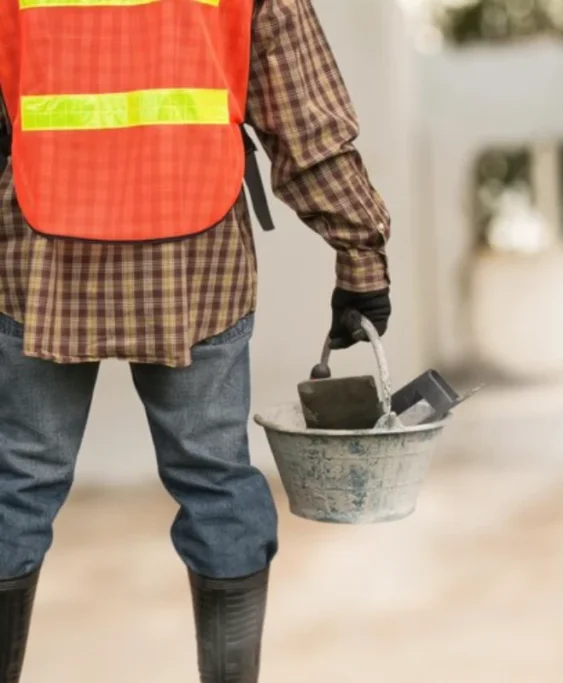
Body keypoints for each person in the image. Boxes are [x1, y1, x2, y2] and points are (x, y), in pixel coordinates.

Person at [0, 0, 392, 680]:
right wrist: (360, 255)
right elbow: (306, 118)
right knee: (216, 483)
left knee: (15, 489)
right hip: (195, 248)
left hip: (41, 250)